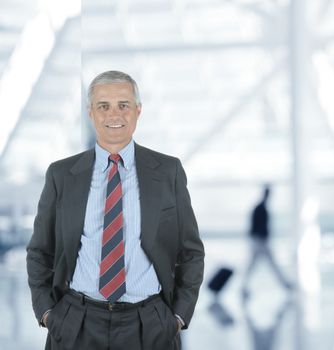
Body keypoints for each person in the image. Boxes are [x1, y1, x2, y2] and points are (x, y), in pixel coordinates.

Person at [26, 70, 205, 350]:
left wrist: (178, 317)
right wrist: (48, 314)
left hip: (149, 325)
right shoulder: (61, 175)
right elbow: (40, 251)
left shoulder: (169, 171)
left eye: (123, 105)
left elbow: (191, 252)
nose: (114, 115)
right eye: (103, 106)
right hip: (77, 324)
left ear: (138, 111)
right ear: (90, 113)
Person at [242, 186, 291, 296]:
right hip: (260, 241)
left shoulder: (260, 208)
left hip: (259, 241)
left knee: (255, 265)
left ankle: (244, 287)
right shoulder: (261, 209)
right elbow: (257, 227)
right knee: (269, 264)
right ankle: (285, 284)